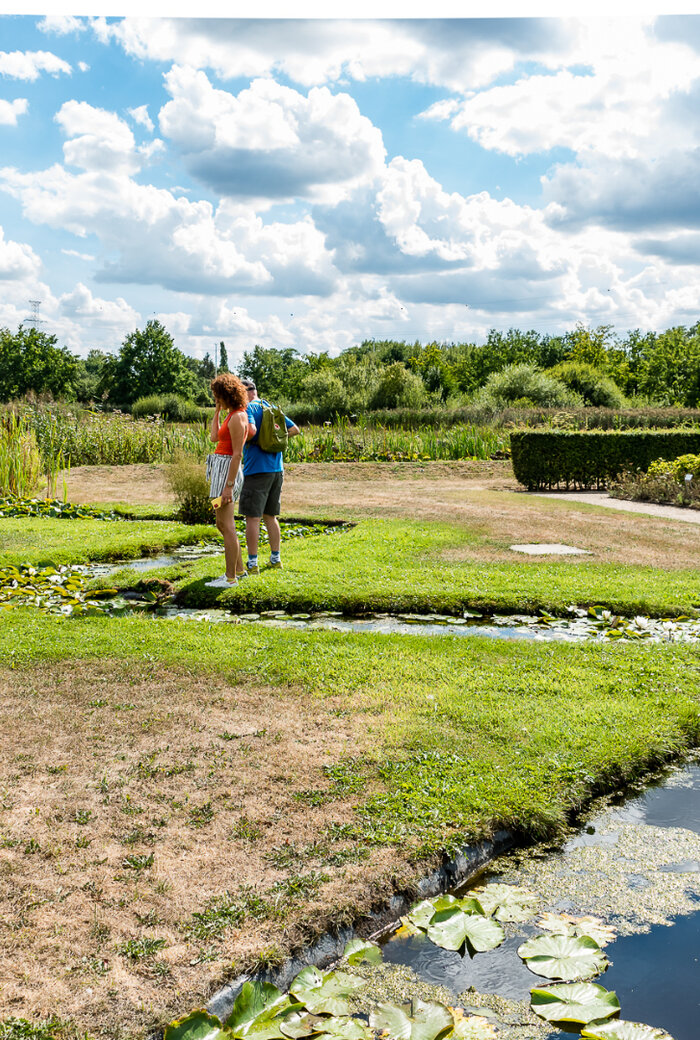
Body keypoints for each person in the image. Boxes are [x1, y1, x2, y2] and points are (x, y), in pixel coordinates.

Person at [239, 379, 299, 573]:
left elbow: (248, 433)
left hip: (256, 469)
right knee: (270, 516)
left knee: (252, 518)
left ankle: (253, 562)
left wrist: (260, 440)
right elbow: (294, 429)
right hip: (277, 469)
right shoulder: (270, 407)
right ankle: (276, 559)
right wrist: (275, 439)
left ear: (246, 391)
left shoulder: (248, 409)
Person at [205, 373, 255, 589]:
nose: (216, 399)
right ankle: (239, 570)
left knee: (227, 525)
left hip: (226, 471)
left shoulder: (237, 418)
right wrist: (216, 411)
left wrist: (228, 486)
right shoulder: (231, 414)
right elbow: (214, 437)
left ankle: (229, 578)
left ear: (227, 394)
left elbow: (237, 455)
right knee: (222, 523)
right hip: (219, 470)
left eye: (218, 396)